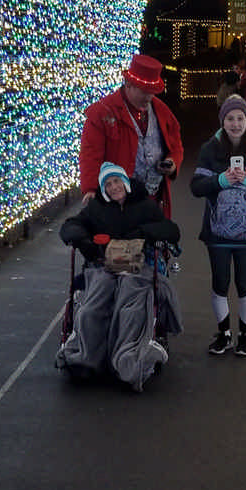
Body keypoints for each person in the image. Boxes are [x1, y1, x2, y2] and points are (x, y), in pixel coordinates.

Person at [57, 162, 183, 390]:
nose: (114, 187)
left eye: (117, 181)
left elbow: (172, 231)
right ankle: (85, 358)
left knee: (131, 304)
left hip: (136, 263)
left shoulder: (145, 205)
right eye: (108, 184)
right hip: (103, 263)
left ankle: (129, 360)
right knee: (92, 305)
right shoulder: (96, 208)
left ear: (125, 182)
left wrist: (144, 233)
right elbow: (71, 226)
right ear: (103, 189)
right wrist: (84, 241)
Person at [190, 94, 246, 357]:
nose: (236, 124)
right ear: (222, 121)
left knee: (244, 283)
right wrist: (221, 180)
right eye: (230, 118)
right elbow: (196, 187)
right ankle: (224, 333)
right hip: (217, 232)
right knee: (219, 282)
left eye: (240, 118)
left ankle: (245, 335)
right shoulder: (209, 150)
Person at [79, 54, 184, 219]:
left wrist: (172, 162)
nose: (149, 97)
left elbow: (175, 143)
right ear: (128, 84)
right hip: (119, 204)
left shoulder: (161, 110)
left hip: (154, 201)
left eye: (153, 92)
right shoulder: (102, 113)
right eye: (144, 91)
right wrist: (91, 189)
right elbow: (90, 154)